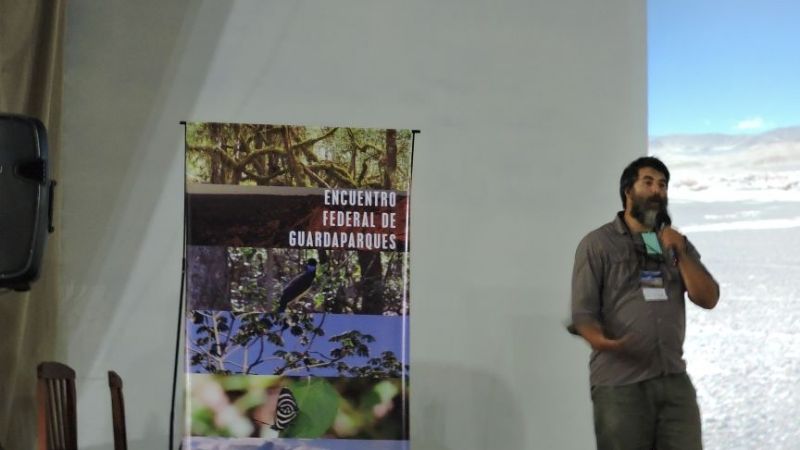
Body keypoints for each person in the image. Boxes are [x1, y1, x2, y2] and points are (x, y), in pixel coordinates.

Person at [571, 156, 719, 450]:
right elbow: (583, 312)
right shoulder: (598, 244)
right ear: (628, 191)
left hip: (673, 379)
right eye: (648, 182)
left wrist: (680, 252)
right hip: (621, 384)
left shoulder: (670, 242)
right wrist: (601, 341)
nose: (657, 191)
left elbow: (708, 297)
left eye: (663, 185)